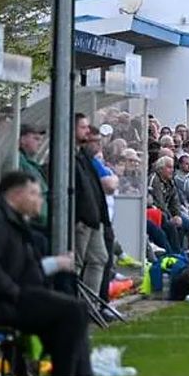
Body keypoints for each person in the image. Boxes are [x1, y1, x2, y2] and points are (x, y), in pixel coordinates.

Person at [0, 171, 93, 376]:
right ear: (16, 195)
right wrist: (14, 292)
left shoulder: (12, 222)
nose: (39, 200)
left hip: (16, 297)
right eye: (34, 194)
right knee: (73, 311)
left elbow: (28, 267)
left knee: (74, 313)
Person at [73, 113, 109, 294]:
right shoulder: (68, 156)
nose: (87, 131)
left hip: (94, 219)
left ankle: (90, 306)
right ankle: (73, 307)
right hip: (81, 219)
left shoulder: (84, 156)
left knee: (99, 258)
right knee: (76, 263)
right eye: (83, 127)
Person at [149, 155, 189, 251]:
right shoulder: (154, 180)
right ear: (160, 168)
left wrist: (177, 215)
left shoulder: (170, 182)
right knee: (171, 226)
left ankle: (181, 252)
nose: (172, 170)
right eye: (169, 167)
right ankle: (175, 254)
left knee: (182, 223)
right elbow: (159, 203)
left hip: (167, 214)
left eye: (172, 167)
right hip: (157, 214)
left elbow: (175, 202)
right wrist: (171, 217)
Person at [18, 124, 50, 236]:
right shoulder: (17, 161)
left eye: (40, 140)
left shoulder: (31, 163)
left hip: (41, 223)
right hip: (33, 225)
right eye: (35, 139)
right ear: (22, 140)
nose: (39, 143)